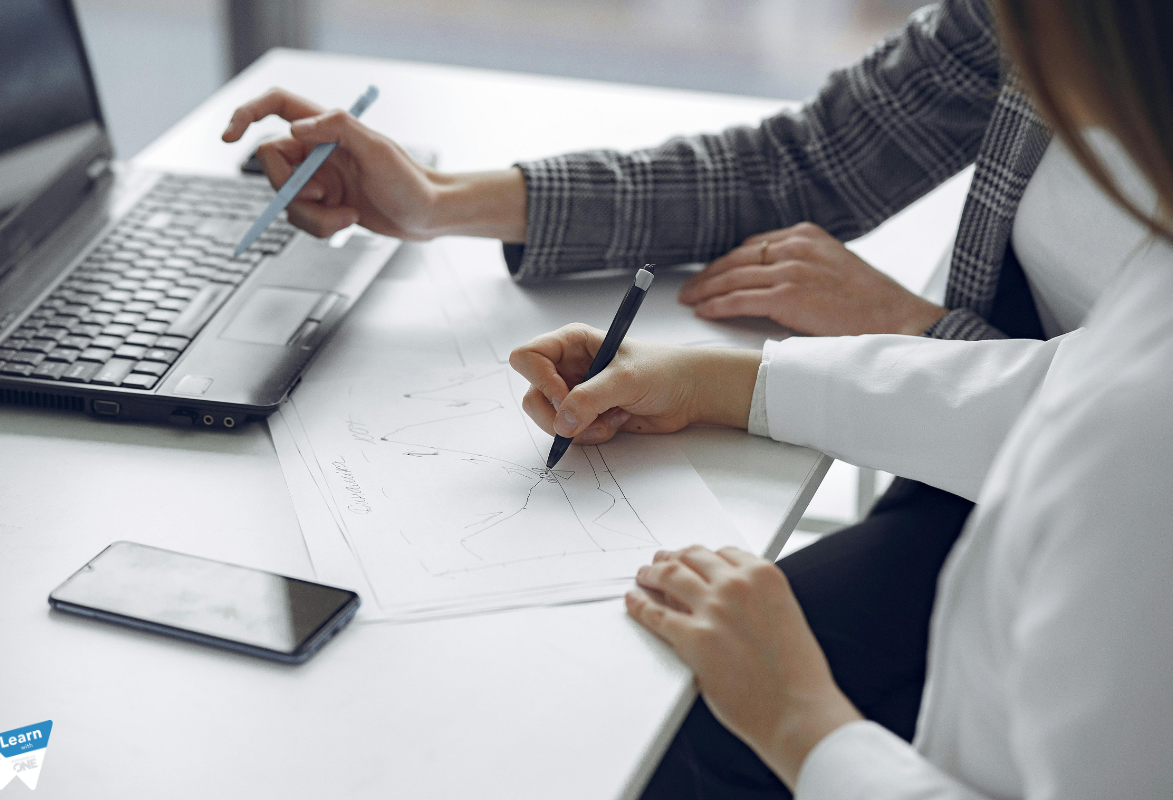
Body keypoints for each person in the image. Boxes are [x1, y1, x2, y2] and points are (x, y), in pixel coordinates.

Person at [219, 0, 1172, 794]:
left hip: (1033, 521)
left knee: (662, 721)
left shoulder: (1128, 463)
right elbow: (814, 161)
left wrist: (810, 732)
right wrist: (439, 199)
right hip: (979, 474)